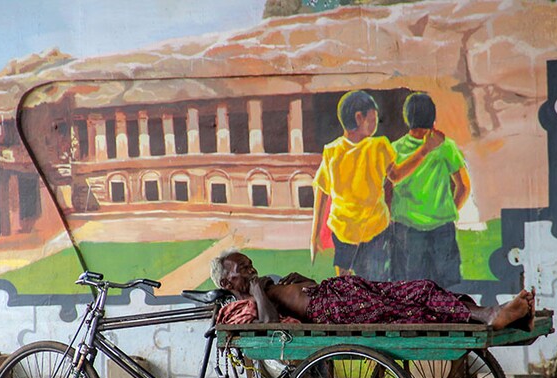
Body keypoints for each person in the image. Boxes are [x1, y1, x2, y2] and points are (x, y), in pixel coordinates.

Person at [211, 250, 535, 331]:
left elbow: (291, 295)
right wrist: (258, 289)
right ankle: (491, 315)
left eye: (250, 264)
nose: (251, 270)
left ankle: (491, 313)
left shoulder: (262, 286)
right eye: (244, 269)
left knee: (421, 288)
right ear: (227, 282)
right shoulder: (247, 303)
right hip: (331, 309)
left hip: (338, 292)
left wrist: (297, 282)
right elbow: (269, 325)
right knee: (413, 307)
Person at [310, 90, 444, 279]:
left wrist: (314, 235)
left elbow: (321, 192)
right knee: (360, 286)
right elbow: (397, 175)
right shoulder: (376, 147)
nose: (376, 123)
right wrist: (425, 150)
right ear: (359, 118)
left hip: (360, 231)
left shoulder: (335, 151)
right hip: (360, 232)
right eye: (373, 119)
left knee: (361, 285)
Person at [390, 92, 471, 287]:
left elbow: (390, 182)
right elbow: (464, 186)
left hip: (405, 228)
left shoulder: (395, 148)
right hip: (442, 229)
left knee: (408, 291)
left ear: (407, 118)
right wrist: (446, 210)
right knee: (443, 290)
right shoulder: (446, 146)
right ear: (433, 118)